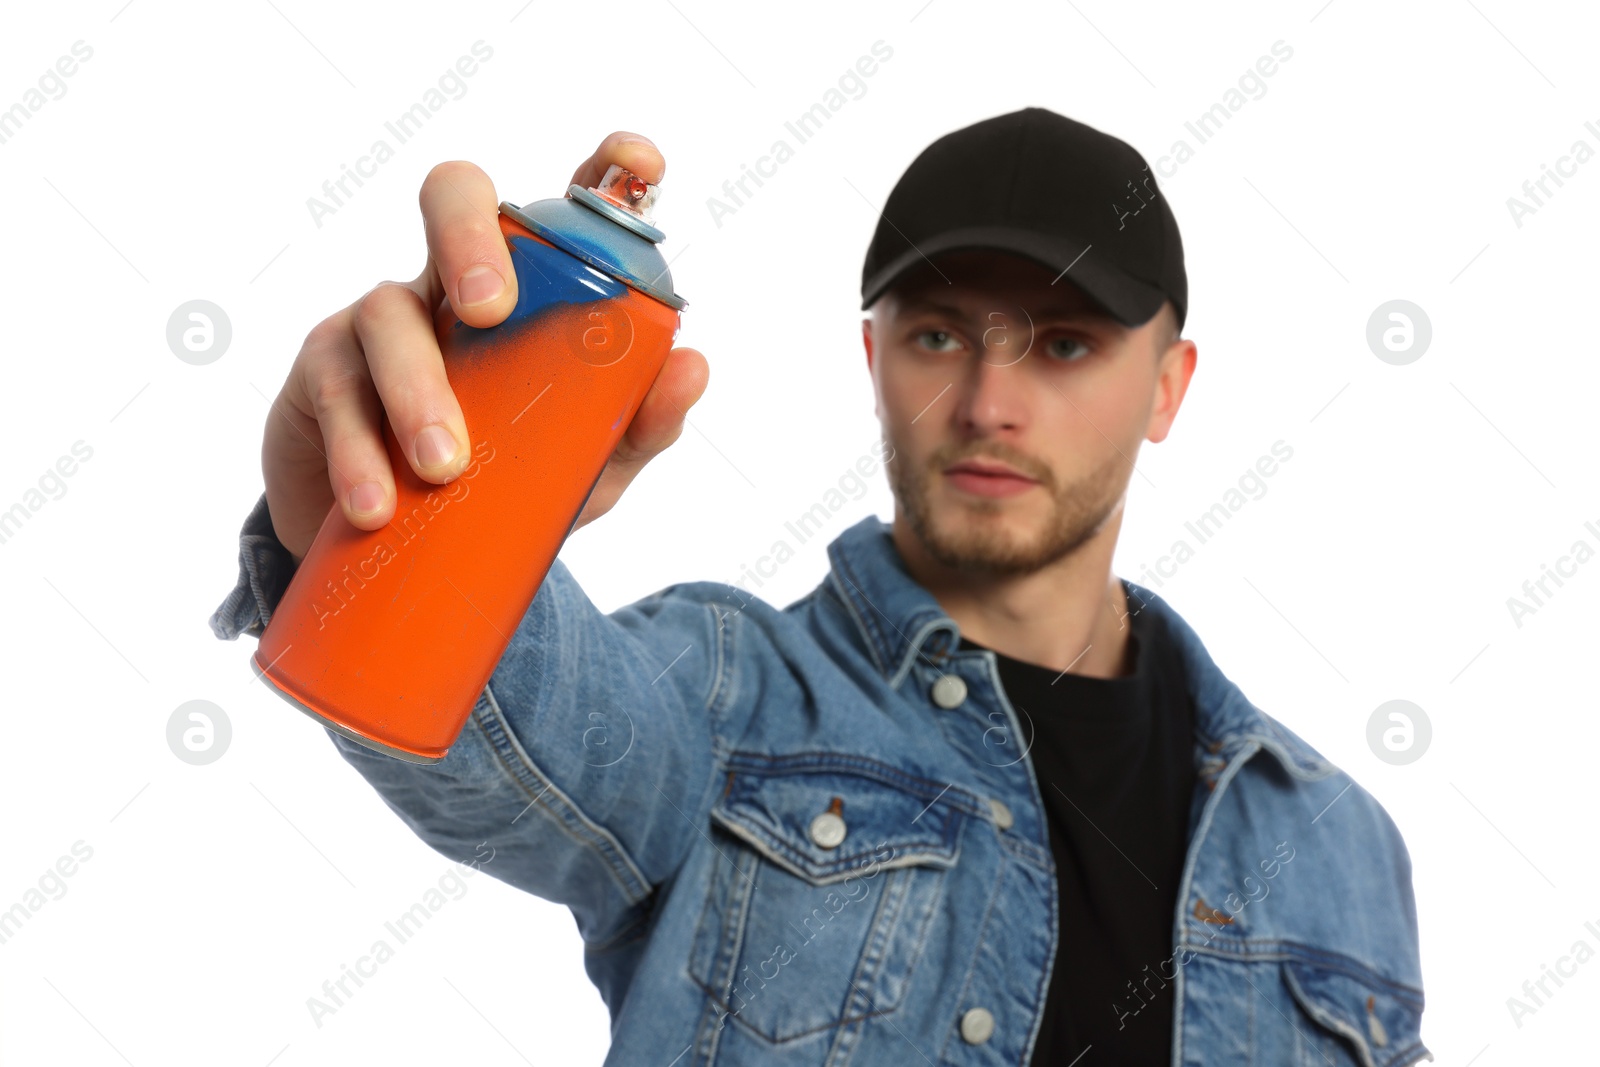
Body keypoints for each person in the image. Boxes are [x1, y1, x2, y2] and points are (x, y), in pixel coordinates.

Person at [211, 108, 1432, 1065]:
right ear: (872, 354)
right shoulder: (722, 695)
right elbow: (502, 714)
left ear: (1169, 385)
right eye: (939, 333)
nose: (988, 403)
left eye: (1063, 343)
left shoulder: (1334, 842)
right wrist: (371, 530)